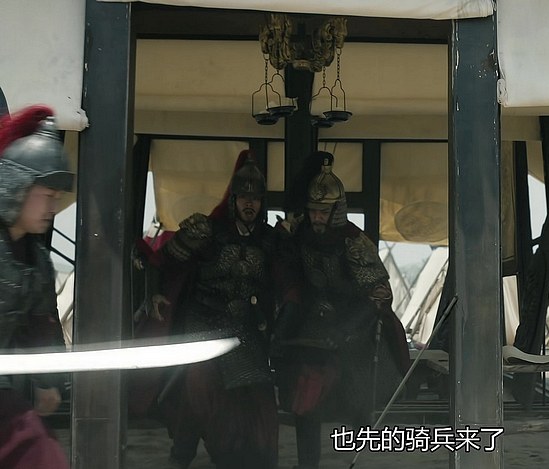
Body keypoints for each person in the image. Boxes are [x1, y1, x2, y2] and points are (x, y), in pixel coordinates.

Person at [146, 151, 288, 469]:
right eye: (244, 198)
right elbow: (163, 260)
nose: (249, 204)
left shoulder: (270, 240)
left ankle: (258, 459)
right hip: (204, 324)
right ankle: (184, 454)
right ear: (234, 199)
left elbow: (287, 277)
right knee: (198, 393)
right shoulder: (207, 231)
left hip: (245, 327)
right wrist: (155, 292)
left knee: (259, 399)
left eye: (256, 198)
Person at [273, 152, 410, 469]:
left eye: (323, 211)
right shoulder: (301, 234)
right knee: (306, 399)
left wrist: (347, 328)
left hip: (353, 332)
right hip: (311, 325)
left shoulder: (354, 243)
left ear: (336, 210)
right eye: (313, 210)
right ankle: (308, 464)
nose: (317, 217)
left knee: (356, 403)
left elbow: (379, 294)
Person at [0, 105, 72, 469]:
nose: (53, 207)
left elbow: (42, 325)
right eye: (47, 195)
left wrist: (47, 381)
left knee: (39, 452)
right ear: (16, 186)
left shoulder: (37, 260)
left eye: (57, 198)